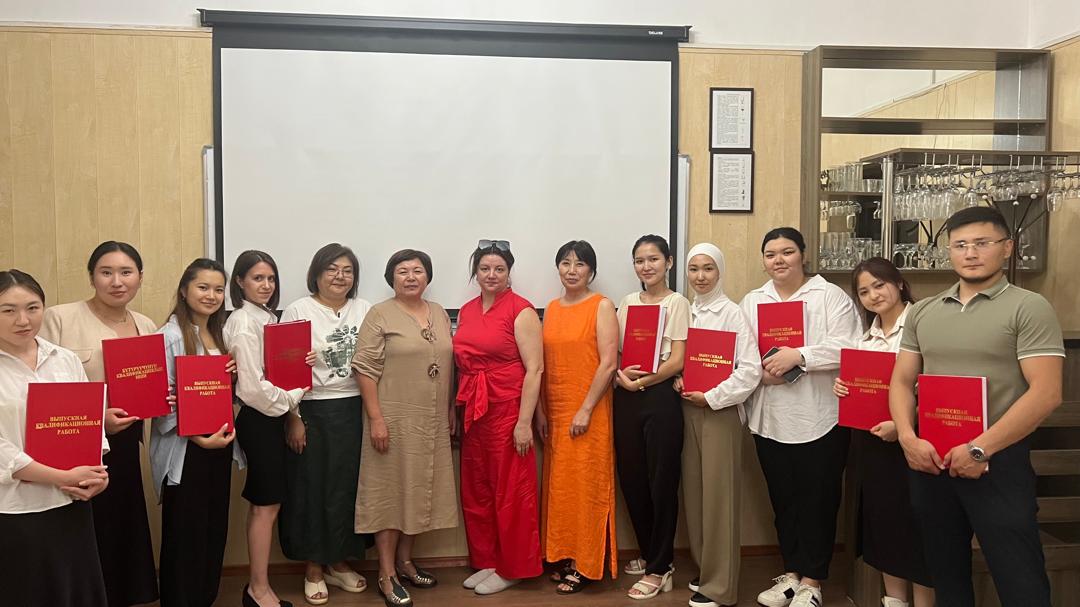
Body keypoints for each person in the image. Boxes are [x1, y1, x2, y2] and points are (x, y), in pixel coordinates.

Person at [891, 206, 1064, 607]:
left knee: (1020, 580)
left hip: (997, 460)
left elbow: (1047, 392)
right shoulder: (924, 310)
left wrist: (980, 449)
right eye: (960, 245)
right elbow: (901, 381)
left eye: (982, 243)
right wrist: (907, 438)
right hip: (932, 459)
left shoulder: (1028, 306)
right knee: (946, 575)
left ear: (1007, 248)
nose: (970, 253)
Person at [740, 227, 862, 607]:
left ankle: (812, 581)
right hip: (770, 419)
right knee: (784, 501)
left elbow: (849, 346)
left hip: (821, 418)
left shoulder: (829, 296)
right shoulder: (753, 300)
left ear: (803, 255)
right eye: (771, 254)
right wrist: (759, 374)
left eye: (787, 251)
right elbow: (741, 352)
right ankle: (791, 574)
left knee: (819, 501)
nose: (779, 260)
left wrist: (800, 356)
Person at [39, 241, 160, 607]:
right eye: (106, 272)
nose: (117, 281)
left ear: (140, 277)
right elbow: (40, 387)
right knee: (85, 529)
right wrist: (97, 419)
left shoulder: (145, 324)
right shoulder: (60, 318)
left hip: (127, 444)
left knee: (122, 526)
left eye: (126, 272)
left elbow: (150, 383)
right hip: (76, 446)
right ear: (92, 277)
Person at [352, 249, 458, 607]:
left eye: (417, 270)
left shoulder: (439, 312)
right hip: (392, 419)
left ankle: (405, 562)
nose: (411, 277)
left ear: (427, 276)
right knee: (391, 492)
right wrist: (376, 418)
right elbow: (364, 368)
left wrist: (449, 408)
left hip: (431, 419)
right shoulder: (380, 313)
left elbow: (446, 364)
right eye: (402, 271)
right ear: (391, 278)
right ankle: (386, 574)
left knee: (420, 488)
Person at [0, 269, 110, 607]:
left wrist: (98, 474)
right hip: (16, 509)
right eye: (8, 310)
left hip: (70, 502)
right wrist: (60, 477)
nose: (23, 320)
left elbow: (89, 424)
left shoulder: (64, 359)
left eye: (33, 308)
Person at [832, 258, 933, 607]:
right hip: (872, 442)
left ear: (899, 283)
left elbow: (935, 388)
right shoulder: (865, 337)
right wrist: (844, 389)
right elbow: (866, 389)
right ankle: (894, 600)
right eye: (864, 291)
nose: (873, 295)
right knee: (884, 524)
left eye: (879, 285)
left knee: (917, 527)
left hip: (915, 440)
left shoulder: (923, 326)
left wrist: (904, 425)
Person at [279, 243, 372, 605]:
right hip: (312, 409)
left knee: (345, 489)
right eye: (332, 269)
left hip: (354, 408)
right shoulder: (298, 310)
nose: (339, 276)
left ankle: (338, 561)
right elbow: (285, 369)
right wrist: (293, 417)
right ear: (316, 274)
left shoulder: (364, 309)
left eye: (347, 270)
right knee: (312, 489)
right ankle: (314, 567)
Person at [151, 258, 244, 607]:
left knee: (212, 529)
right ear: (184, 290)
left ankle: (204, 598)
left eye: (218, 289)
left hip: (219, 442)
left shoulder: (220, 334)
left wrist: (233, 376)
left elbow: (219, 394)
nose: (211, 295)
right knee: (185, 533)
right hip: (186, 449)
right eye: (203, 287)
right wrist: (197, 438)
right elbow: (161, 399)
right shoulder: (169, 336)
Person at [224, 250, 315, 607]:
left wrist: (303, 364)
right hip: (259, 418)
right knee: (265, 506)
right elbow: (251, 388)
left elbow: (275, 371)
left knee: (271, 505)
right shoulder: (243, 321)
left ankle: (260, 587)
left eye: (271, 278)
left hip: (272, 416)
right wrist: (295, 394)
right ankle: (257, 589)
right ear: (240, 282)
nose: (266, 285)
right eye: (257, 278)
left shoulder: (267, 317)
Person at [453, 239, 544, 595]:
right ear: (475, 273)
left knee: (512, 491)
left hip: (508, 408)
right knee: (477, 488)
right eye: (485, 268)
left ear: (509, 273)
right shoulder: (466, 310)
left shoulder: (521, 310)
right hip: (474, 409)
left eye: (499, 269)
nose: (492, 275)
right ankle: (488, 559)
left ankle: (514, 567)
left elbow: (535, 370)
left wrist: (524, 422)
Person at [676, 243, 762, 607]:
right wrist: (679, 378)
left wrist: (712, 396)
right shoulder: (685, 310)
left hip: (719, 412)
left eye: (708, 268)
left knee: (719, 498)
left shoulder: (732, 313)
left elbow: (751, 370)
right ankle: (706, 569)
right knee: (696, 494)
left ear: (720, 272)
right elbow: (678, 357)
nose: (700, 276)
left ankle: (721, 587)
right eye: (694, 269)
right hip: (687, 409)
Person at [537, 240, 619, 595]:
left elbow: (609, 363)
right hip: (556, 412)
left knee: (588, 486)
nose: (572, 270)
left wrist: (585, 408)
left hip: (590, 409)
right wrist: (542, 410)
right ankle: (565, 555)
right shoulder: (552, 308)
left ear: (591, 271)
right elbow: (544, 364)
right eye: (565, 263)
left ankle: (586, 563)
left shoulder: (601, 306)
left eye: (580, 264)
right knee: (562, 488)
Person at [613, 234, 690, 600]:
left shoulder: (677, 303)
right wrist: (620, 378)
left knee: (661, 481)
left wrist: (641, 382)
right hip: (626, 395)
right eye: (640, 260)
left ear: (668, 262)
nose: (647, 266)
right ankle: (649, 553)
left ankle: (661, 567)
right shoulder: (627, 302)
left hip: (659, 397)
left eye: (654, 259)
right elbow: (616, 350)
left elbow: (677, 360)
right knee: (632, 478)